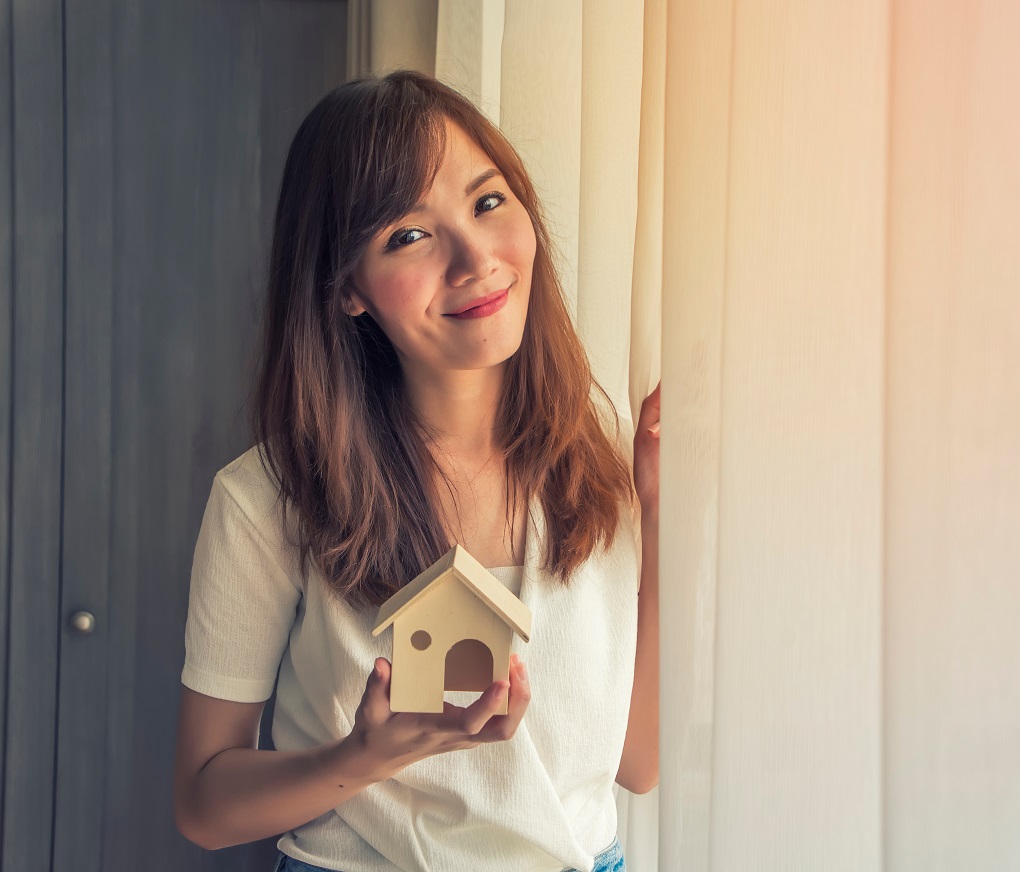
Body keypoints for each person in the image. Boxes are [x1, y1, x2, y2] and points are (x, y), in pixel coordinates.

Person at [172, 69, 660, 872]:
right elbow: (203, 804)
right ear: (346, 289)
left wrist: (662, 515)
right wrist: (364, 756)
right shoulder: (267, 499)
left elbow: (633, 763)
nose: (474, 259)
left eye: (488, 201)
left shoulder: (601, 460)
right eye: (407, 235)